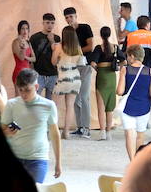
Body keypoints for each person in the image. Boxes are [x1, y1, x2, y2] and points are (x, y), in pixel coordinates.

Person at [2, 68, 61, 184]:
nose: (23, 94)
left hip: (38, 158)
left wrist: (58, 162)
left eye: (27, 90)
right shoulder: (11, 104)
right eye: (21, 90)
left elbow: (55, 134)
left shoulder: (48, 106)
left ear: (36, 87)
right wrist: (6, 132)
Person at [117, 45, 151, 161]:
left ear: (131, 56)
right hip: (144, 108)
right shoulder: (150, 72)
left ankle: (132, 161)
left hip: (128, 107)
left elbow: (120, 91)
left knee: (129, 134)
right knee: (140, 135)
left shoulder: (125, 70)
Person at [64, 7, 95, 137]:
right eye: (67, 18)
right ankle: (80, 127)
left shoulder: (85, 28)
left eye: (71, 16)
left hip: (85, 65)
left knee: (84, 96)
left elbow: (90, 46)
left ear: (76, 16)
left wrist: (76, 51)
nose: (69, 19)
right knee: (75, 98)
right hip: (72, 66)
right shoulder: (67, 32)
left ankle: (87, 128)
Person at [52, 24, 84, 137]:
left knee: (55, 106)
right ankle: (66, 132)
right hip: (75, 78)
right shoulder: (78, 48)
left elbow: (53, 61)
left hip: (63, 78)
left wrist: (54, 50)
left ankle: (54, 131)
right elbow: (81, 62)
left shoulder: (59, 47)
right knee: (70, 106)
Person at [94, 25, 122, 138]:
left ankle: (102, 132)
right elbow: (124, 61)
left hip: (101, 75)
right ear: (110, 35)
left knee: (101, 106)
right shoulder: (115, 47)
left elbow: (92, 62)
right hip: (112, 76)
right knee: (109, 106)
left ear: (101, 35)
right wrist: (117, 66)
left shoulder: (98, 48)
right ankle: (109, 131)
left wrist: (98, 68)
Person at [29, 13, 60, 95]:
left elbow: (58, 56)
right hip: (38, 74)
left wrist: (52, 41)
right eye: (47, 22)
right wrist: (32, 72)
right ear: (43, 23)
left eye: (52, 23)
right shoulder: (34, 37)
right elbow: (30, 56)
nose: (50, 25)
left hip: (53, 74)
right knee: (36, 98)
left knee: (50, 101)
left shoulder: (57, 38)